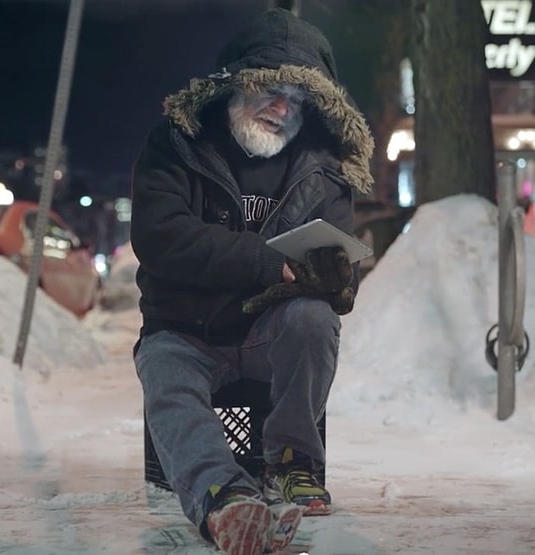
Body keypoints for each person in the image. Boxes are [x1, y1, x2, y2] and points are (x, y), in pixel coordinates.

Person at [129, 8, 374, 555]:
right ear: (237, 84)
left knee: (314, 320)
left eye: (297, 98)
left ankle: (291, 465)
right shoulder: (178, 143)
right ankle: (223, 497)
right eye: (271, 90)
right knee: (165, 373)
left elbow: (339, 268)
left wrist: (335, 279)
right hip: (184, 329)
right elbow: (162, 238)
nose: (282, 108)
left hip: (269, 329)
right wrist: (268, 263)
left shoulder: (324, 166)